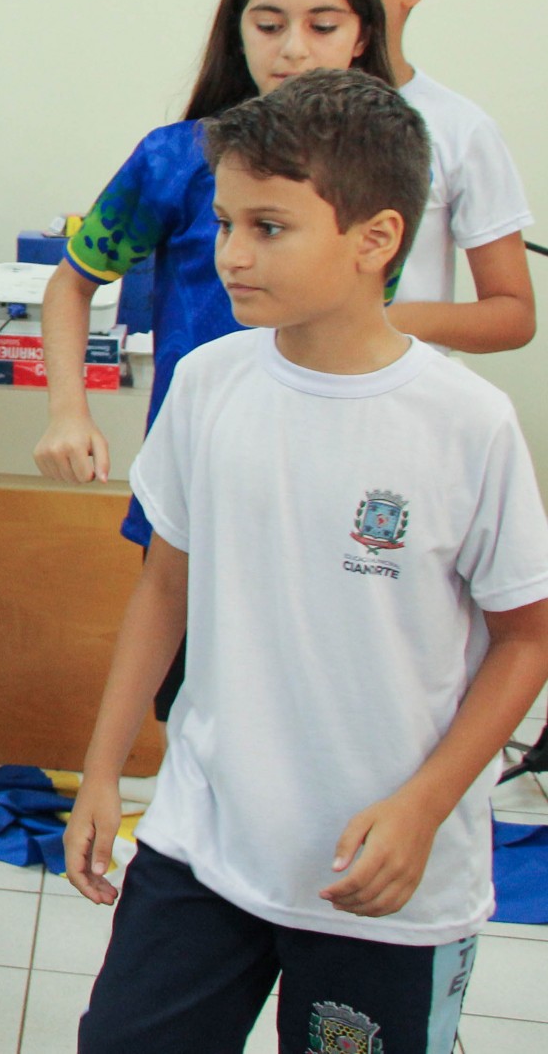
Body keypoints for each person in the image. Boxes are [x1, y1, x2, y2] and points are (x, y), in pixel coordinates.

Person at [66, 69, 548, 1053]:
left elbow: (525, 641)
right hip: (204, 841)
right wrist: (102, 769)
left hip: (380, 868)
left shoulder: (467, 424)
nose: (230, 254)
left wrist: (422, 806)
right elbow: (164, 589)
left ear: (376, 238)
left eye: (269, 227)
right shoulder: (208, 385)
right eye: (225, 222)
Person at [33, 0, 395, 719]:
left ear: (362, 35)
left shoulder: (387, 167)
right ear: (238, 29)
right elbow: (70, 283)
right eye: (268, 24)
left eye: (322, 25)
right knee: (195, 711)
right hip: (201, 483)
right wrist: (67, 410)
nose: (293, 49)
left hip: (335, 486)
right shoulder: (176, 158)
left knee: (322, 713)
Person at [302, 0, 535, 353]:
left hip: (397, 386)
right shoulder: (252, 119)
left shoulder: (459, 127)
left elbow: (513, 314)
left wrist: (379, 321)